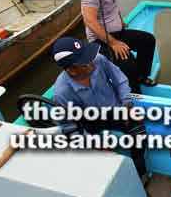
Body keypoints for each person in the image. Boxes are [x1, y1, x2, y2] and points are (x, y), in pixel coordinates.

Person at [51, 37, 147, 178]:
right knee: (94, 158)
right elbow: (69, 128)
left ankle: (140, 174)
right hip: (88, 122)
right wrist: (94, 144)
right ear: (72, 70)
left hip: (115, 110)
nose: (92, 62)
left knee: (139, 135)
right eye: (85, 62)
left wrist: (126, 105)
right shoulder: (61, 93)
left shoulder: (98, 60)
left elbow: (120, 80)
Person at [80, 0, 156, 94]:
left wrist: (120, 20)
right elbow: (89, 21)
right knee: (128, 62)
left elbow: (112, 5)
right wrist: (113, 43)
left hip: (116, 32)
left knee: (148, 41)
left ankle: (141, 76)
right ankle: (134, 96)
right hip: (101, 40)